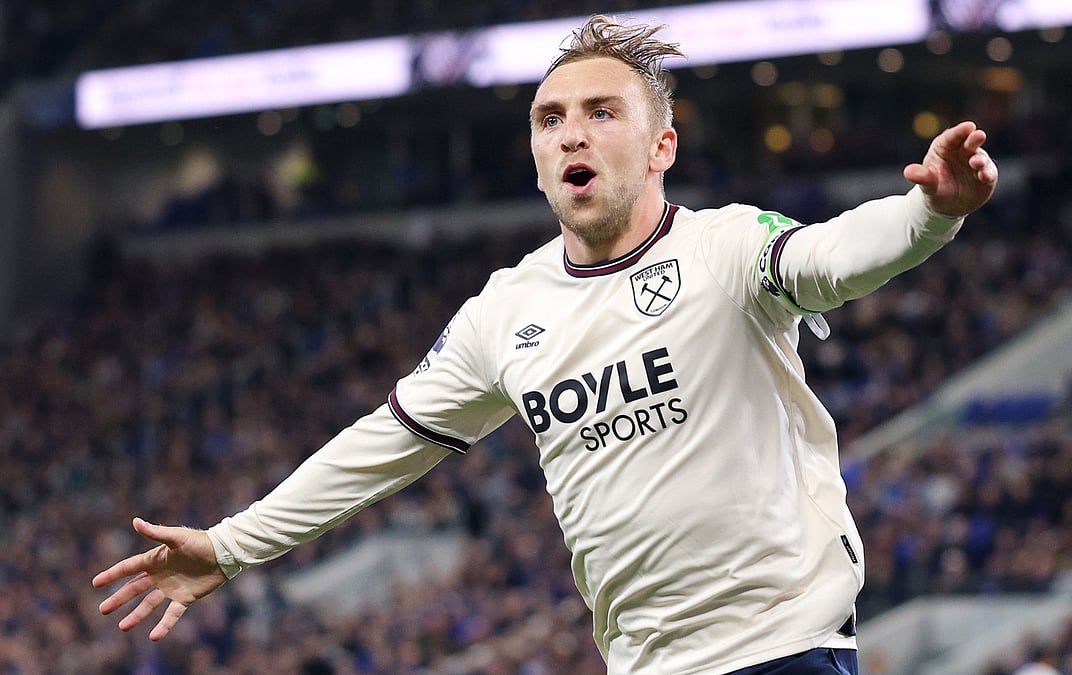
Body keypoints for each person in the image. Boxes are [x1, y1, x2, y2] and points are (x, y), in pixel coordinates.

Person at [93, 15, 998, 675]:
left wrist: (930, 212)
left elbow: (834, 256)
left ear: (661, 147)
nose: (572, 130)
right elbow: (383, 444)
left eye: (603, 111)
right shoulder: (504, 311)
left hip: (780, 649)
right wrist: (232, 543)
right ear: (535, 153)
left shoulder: (724, 249)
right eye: (550, 116)